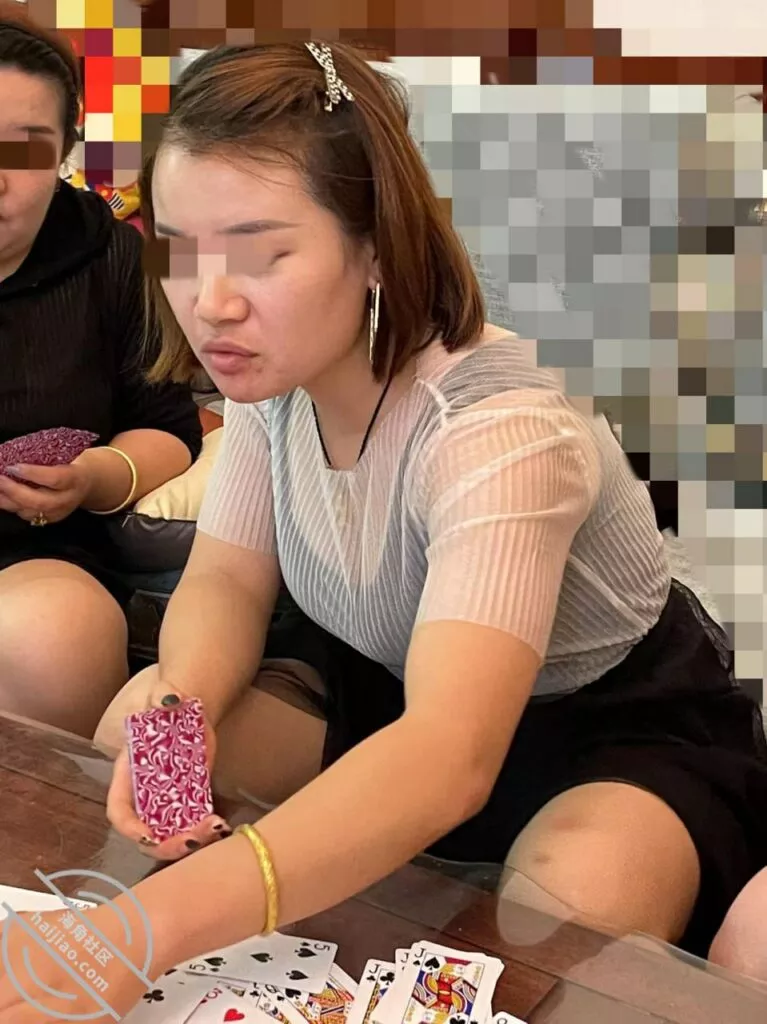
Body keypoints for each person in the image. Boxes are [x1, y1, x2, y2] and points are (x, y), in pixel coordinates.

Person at [2, 39, 767, 1019]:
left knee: (551, 926)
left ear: (372, 245)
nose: (210, 303)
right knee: (140, 734)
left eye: (262, 252)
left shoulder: (498, 427)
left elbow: (447, 754)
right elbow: (227, 582)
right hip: (381, 688)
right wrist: (177, 717)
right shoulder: (275, 379)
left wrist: (130, 935)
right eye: (183, 250)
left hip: (603, 732)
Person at [0, 3, 202, 737]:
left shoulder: (111, 256)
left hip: (34, 560)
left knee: (61, 643)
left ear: (64, 153)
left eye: (25, 149)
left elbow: (171, 428)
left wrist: (88, 477)